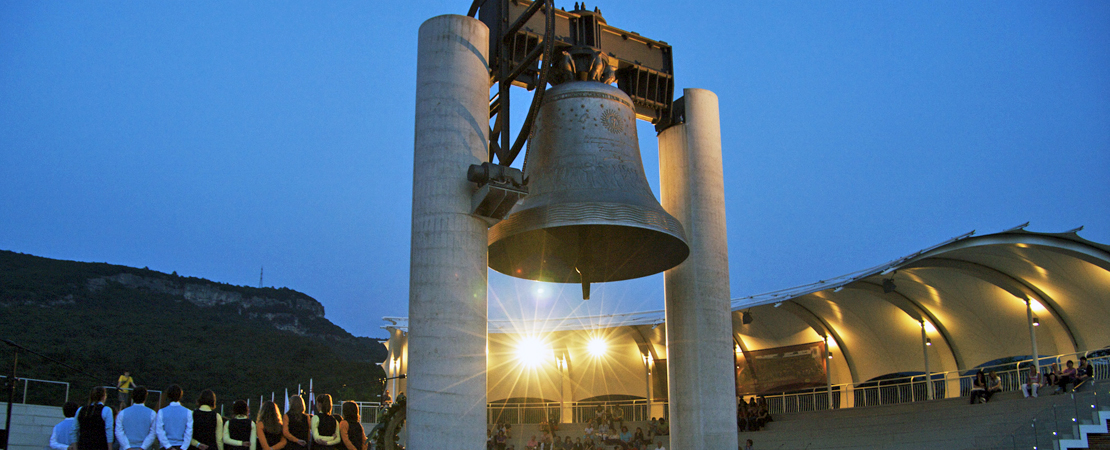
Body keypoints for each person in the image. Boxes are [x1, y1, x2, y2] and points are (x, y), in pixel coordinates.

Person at [156, 385, 193, 450]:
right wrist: (184, 447)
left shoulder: (161, 412)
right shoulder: (188, 412)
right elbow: (189, 432)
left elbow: (159, 431)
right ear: (180, 396)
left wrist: (168, 446)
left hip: (165, 447)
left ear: (168, 396)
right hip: (181, 445)